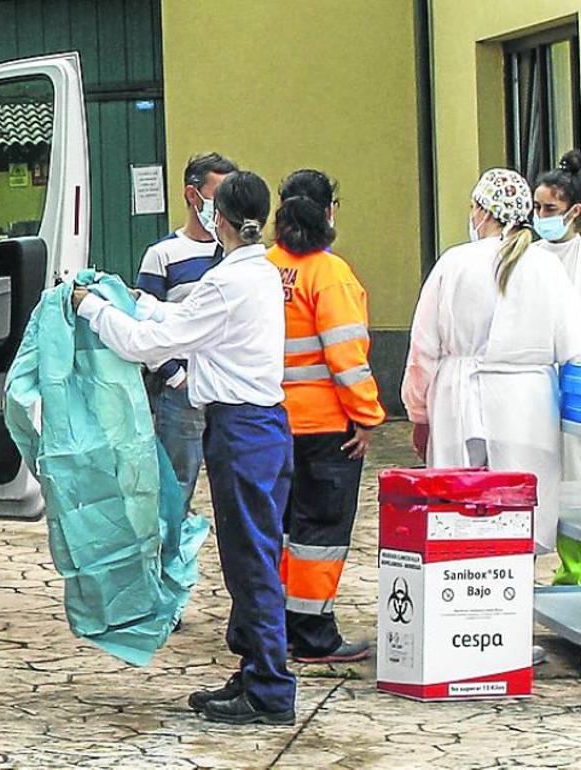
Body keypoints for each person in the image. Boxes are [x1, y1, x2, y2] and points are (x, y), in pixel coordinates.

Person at [73, 171, 295, 726]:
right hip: (262, 426)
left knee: (251, 564)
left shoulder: (229, 282)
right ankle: (254, 670)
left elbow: (153, 343)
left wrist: (92, 310)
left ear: (220, 218)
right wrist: (128, 298)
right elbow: (178, 318)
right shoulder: (258, 274)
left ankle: (269, 688)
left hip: (240, 431)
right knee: (255, 555)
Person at [404, 167, 581, 559]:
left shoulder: (455, 263)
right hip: (529, 405)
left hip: (457, 401)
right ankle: (511, 592)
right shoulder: (547, 268)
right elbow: (572, 345)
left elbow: (424, 349)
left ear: (483, 211)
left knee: (460, 510)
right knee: (519, 511)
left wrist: (418, 412)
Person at [267, 170, 385, 665]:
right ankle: (314, 633)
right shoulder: (329, 273)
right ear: (329, 212)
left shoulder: (262, 267)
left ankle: (277, 625)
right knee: (320, 532)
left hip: (271, 421)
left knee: (282, 528)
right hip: (325, 427)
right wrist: (367, 417)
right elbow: (345, 353)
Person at [137, 152, 239, 515]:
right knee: (176, 485)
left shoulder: (236, 256)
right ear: (193, 196)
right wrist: (176, 378)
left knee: (235, 486)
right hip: (182, 392)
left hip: (229, 389)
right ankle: (170, 558)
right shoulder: (162, 255)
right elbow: (145, 323)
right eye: (218, 196)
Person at [532, 150, 581, 586]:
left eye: (551, 209)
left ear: (574, 211)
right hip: (541, 381)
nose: (542, 217)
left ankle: (576, 568)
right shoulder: (531, 256)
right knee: (554, 480)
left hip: (577, 380)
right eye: (537, 208)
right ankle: (566, 567)